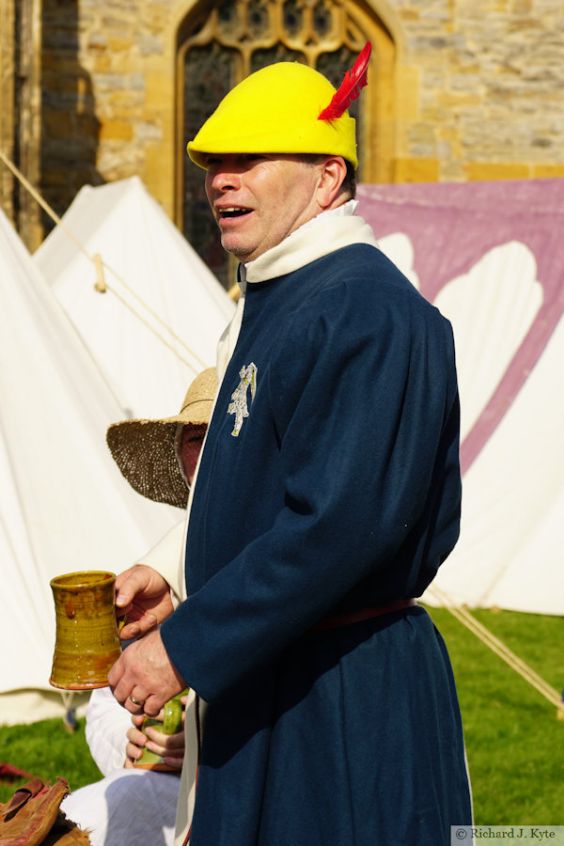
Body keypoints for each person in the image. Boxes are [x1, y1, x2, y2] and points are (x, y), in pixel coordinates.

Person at [109, 45, 473, 845]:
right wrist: (178, 573)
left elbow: (338, 527)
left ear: (328, 179)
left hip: (342, 703)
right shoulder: (282, 298)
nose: (219, 180)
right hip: (274, 677)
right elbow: (268, 480)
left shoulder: (369, 312)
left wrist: (185, 646)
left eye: (247, 160)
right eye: (212, 163)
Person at [61, 368, 217, 846]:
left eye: (223, 436)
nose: (209, 453)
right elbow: (103, 705)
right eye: (195, 438)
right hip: (156, 787)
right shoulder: (158, 576)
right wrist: (129, 747)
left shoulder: (282, 571)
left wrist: (200, 745)